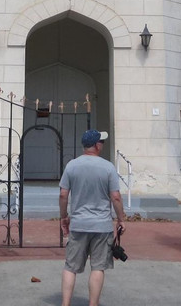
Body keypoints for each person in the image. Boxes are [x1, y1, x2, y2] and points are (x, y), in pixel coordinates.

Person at [59, 129, 127, 306]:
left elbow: (63, 194)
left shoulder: (71, 165)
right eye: (101, 142)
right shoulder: (108, 167)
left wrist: (64, 217)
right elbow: (116, 197)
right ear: (96, 145)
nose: (102, 145)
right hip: (101, 226)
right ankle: (93, 304)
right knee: (97, 267)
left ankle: (65, 303)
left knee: (70, 267)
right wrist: (121, 219)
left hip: (78, 224)